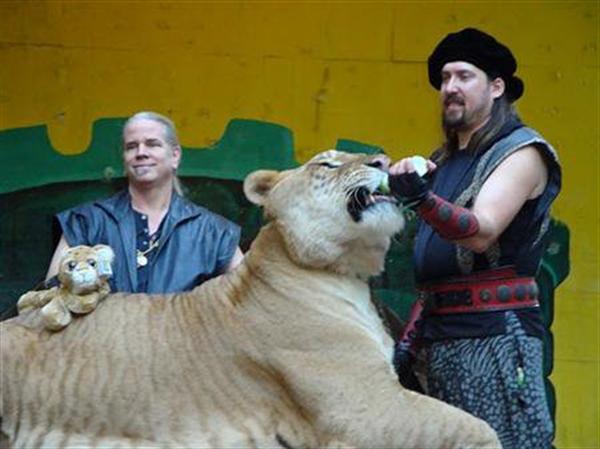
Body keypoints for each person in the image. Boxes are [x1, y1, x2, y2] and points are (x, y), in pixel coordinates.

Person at [390, 28, 560, 449]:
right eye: (445, 78)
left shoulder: (522, 152)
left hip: (496, 336)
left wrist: (421, 198)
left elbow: (481, 232)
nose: (450, 87)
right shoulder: (442, 160)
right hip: (437, 336)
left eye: (464, 76)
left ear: (496, 86)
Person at [46, 111, 244, 293]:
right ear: (125, 159)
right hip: (105, 332)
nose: (141, 152)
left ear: (175, 156)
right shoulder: (85, 221)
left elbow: (245, 299)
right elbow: (51, 298)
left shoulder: (216, 232)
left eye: (152, 144)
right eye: (131, 146)